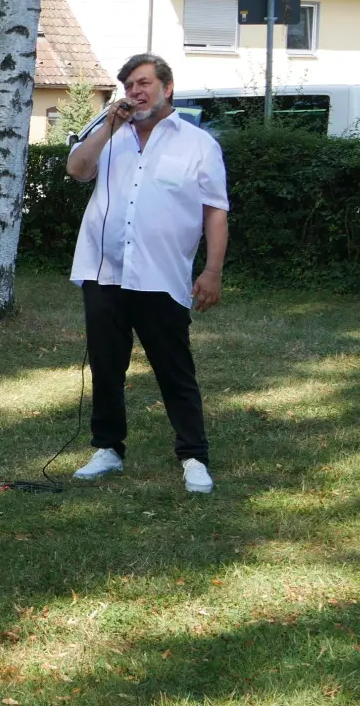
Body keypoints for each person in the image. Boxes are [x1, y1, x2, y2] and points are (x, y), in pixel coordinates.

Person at [66, 53, 228, 494]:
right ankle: (108, 448)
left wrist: (211, 270)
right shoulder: (110, 135)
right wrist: (106, 129)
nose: (135, 93)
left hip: (161, 274)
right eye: (129, 87)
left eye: (143, 84)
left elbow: (215, 211)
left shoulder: (198, 144)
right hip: (105, 273)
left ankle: (194, 456)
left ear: (167, 87)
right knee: (105, 364)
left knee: (174, 368)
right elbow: (77, 170)